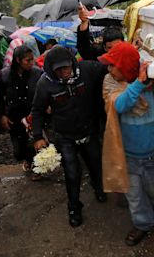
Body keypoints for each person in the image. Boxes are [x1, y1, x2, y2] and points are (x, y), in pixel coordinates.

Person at [98, 42, 154, 246]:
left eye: (113, 65)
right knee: (134, 196)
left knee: (153, 190)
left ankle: (152, 208)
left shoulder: (153, 83)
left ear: (126, 66)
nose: (109, 69)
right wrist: (138, 84)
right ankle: (142, 224)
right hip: (128, 155)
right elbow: (119, 105)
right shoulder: (110, 82)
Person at [32, 45, 108, 227]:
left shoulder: (87, 70)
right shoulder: (45, 83)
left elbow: (109, 64)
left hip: (88, 129)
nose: (64, 72)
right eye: (59, 69)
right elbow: (37, 111)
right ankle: (74, 207)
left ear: (72, 63)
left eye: (66, 67)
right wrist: (37, 136)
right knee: (72, 173)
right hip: (64, 135)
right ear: (52, 69)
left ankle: (98, 187)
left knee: (95, 162)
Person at [0, 45, 42, 179]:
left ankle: (37, 167)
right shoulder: (5, 75)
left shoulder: (37, 73)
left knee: (34, 142)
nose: (31, 63)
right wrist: (3, 115)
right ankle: (27, 160)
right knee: (18, 148)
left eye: (32, 59)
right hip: (14, 116)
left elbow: (42, 94)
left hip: (32, 114)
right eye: (27, 60)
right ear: (18, 60)